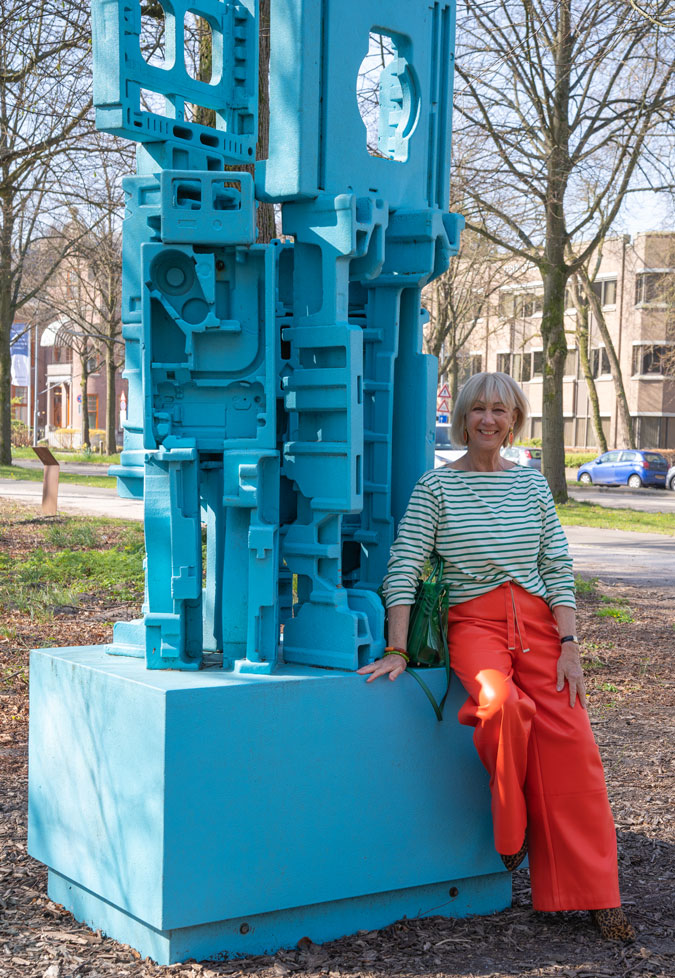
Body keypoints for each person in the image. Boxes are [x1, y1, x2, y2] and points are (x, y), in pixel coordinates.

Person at [357, 371, 634, 942]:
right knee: (502, 705)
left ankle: (598, 897)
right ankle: (514, 831)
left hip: (538, 623)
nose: (489, 420)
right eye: (478, 409)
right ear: (462, 418)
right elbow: (404, 567)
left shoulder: (532, 487)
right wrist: (397, 648)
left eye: (500, 411)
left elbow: (557, 567)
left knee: (574, 748)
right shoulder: (435, 488)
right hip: (476, 623)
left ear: (514, 421)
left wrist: (571, 646)